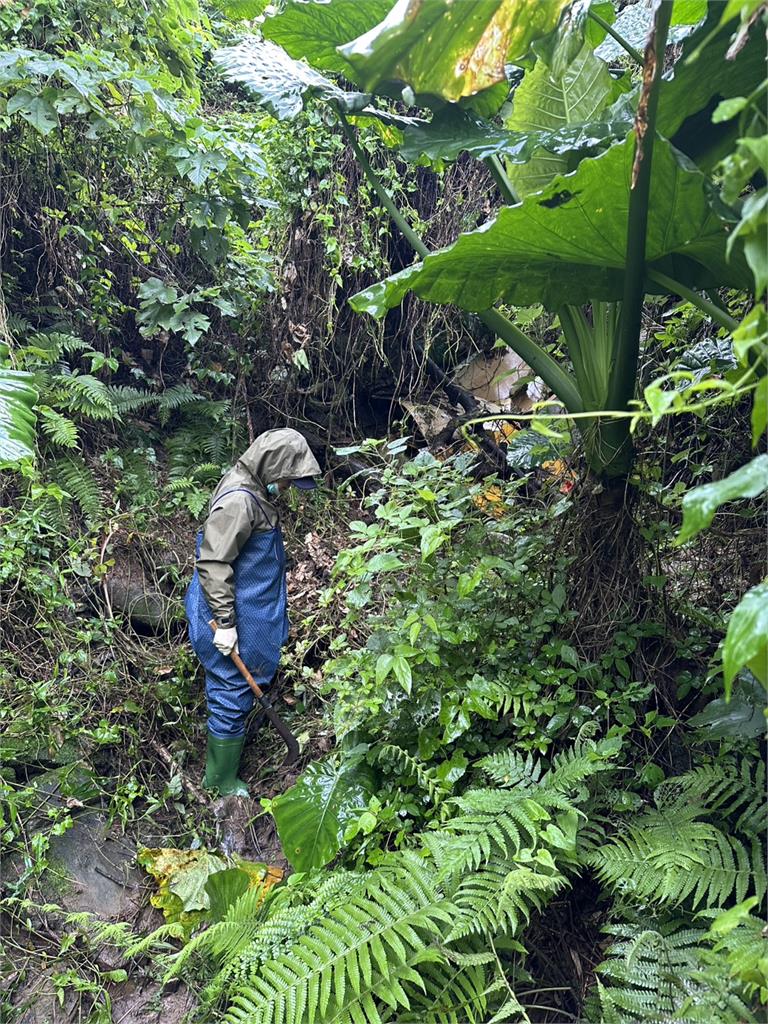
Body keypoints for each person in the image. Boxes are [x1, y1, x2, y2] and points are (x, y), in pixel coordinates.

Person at [185, 428, 320, 796]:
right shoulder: (238, 502)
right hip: (227, 617)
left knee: (235, 688)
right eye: (288, 479)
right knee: (230, 690)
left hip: (247, 609)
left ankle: (226, 762)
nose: (289, 487)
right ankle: (219, 781)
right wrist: (226, 625)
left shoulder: (254, 487)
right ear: (272, 466)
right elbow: (213, 563)